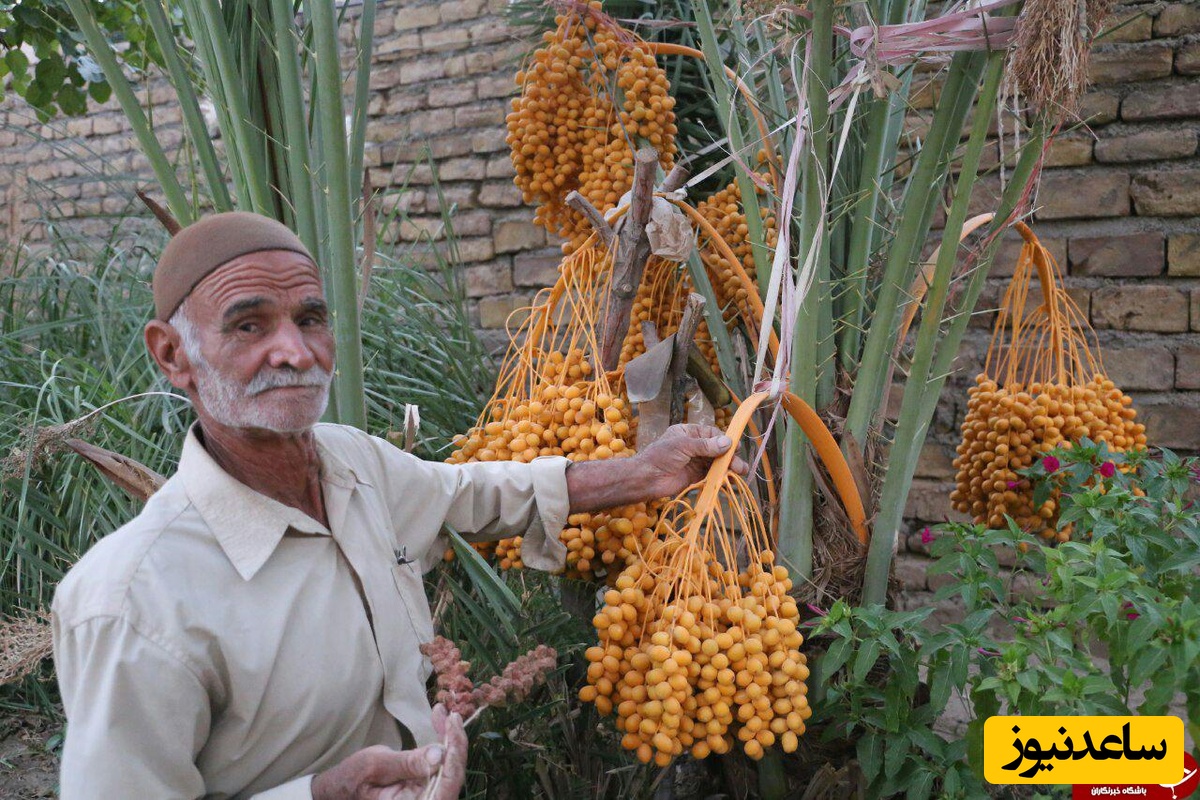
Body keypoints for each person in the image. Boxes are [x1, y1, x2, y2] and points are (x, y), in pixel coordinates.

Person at [51, 212, 746, 800]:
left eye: (310, 319)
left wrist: (642, 473)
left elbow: (471, 494)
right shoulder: (132, 604)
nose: (295, 352)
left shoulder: (354, 463)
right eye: (249, 326)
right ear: (172, 354)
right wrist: (320, 794)